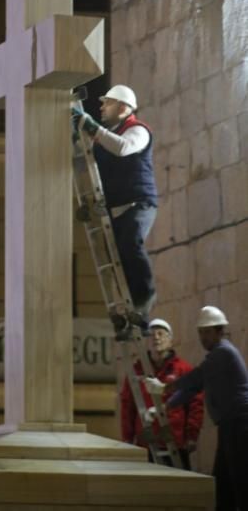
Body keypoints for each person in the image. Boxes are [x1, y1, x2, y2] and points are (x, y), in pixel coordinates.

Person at [72, 84, 158, 331]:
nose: (101, 106)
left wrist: (90, 127)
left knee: (132, 244)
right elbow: (88, 169)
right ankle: (130, 313)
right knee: (118, 259)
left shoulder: (138, 131)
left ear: (123, 107)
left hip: (139, 203)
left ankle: (144, 298)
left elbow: (122, 147)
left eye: (107, 102)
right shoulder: (104, 140)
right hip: (115, 208)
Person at [145, 306, 248, 511]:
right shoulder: (218, 354)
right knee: (224, 480)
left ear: (220, 331)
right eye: (201, 332)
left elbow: (196, 377)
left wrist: (164, 387)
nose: (203, 337)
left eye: (207, 332)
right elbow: (193, 388)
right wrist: (165, 406)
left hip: (240, 423)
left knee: (240, 479)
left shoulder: (223, 352)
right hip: (229, 424)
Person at [120, 317, 203, 470]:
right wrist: (127, 436)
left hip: (175, 442)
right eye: (151, 335)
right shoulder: (137, 371)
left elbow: (195, 404)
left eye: (160, 334)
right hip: (146, 442)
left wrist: (191, 436)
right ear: (146, 341)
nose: (156, 338)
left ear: (170, 340)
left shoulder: (183, 370)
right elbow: (127, 404)